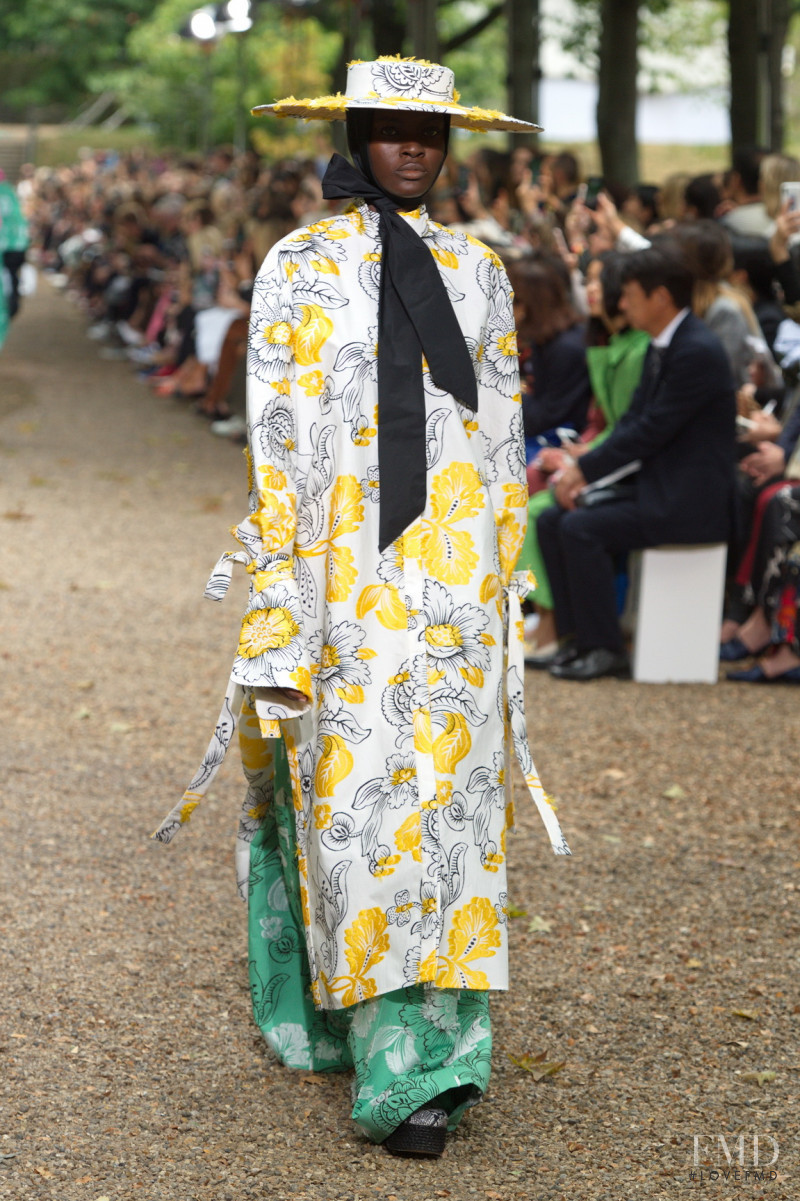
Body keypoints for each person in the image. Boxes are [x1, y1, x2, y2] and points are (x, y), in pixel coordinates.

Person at [154, 57, 569, 1159]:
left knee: (450, 818)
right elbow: (278, 445)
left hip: (454, 593)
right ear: (352, 129)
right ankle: (343, 1015)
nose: (412, 146)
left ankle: (426, 1064)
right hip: (346, 592)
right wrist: (282, 607)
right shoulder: (294, 268)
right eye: (389, 126)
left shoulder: (480, 275)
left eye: (429, 129)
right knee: (351, 813)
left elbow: (501, 445)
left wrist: (505, 587)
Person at [536, 241, 738, 681]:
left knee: (579, 527)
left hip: (688, 501)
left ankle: (605, 648)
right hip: (660, 485)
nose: (621, 303)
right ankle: (577, 640)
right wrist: (582, 472)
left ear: (660, 296)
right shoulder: (665, 343)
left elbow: (650, 432)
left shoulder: (694, 350)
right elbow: (632, 422)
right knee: (553, 520)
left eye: (629, 294)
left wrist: (584, 472)